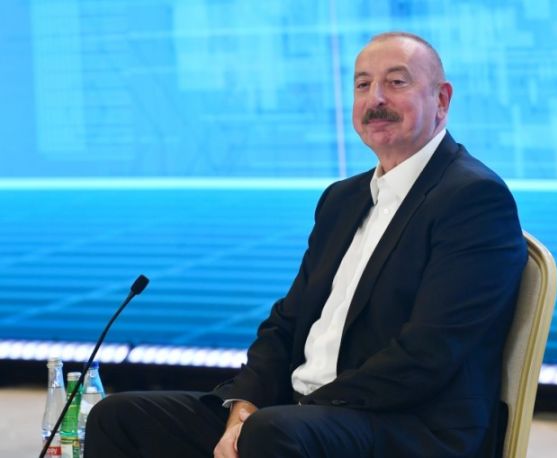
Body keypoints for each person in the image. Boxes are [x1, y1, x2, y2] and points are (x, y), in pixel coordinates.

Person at [85, 31, 527, 458]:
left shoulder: (472, 199)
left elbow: (428, 354)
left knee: (272, 433)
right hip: (299, 416)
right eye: (363, 85)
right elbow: (286, 324)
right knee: (118, 417)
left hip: (407, 426)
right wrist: (245, 405)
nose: (375, 99)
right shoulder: (342, 199)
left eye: (396, 82)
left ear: (442, 100)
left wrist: (295, 411)